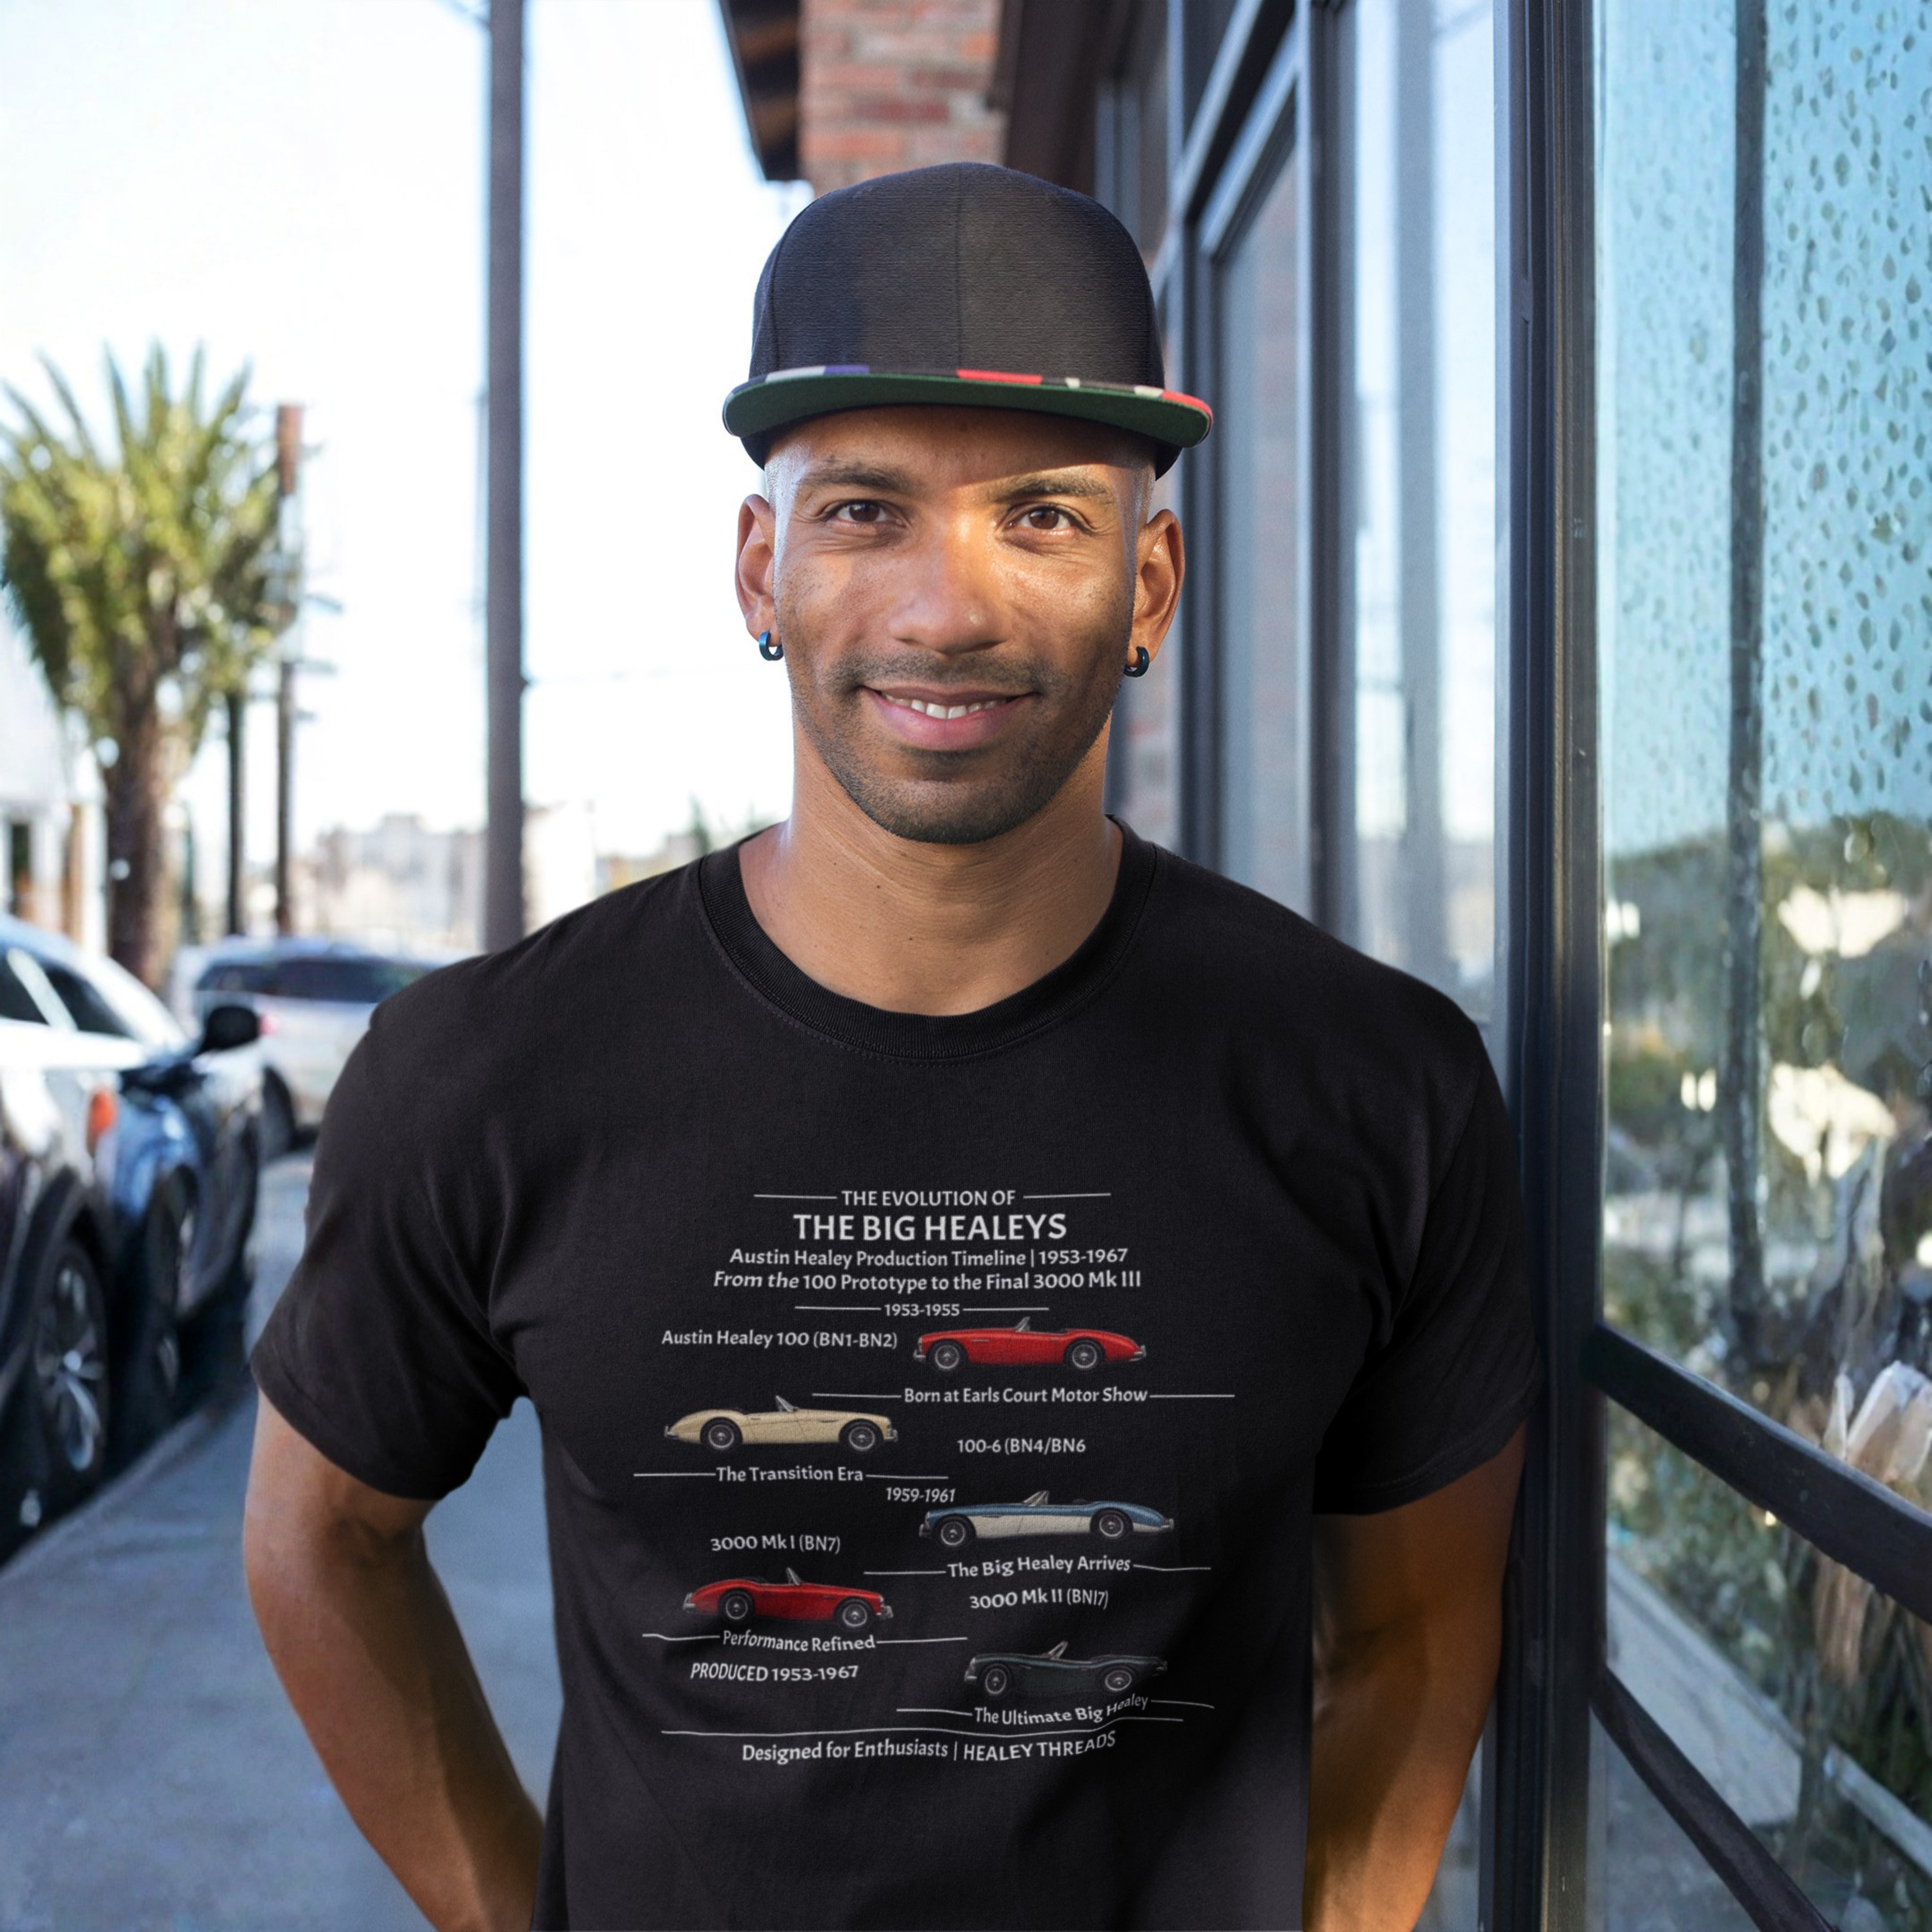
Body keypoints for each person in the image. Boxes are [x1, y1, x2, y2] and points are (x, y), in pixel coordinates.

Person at [244, 162, 1538, 1932]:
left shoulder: (1376, 1090)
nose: (950, 610)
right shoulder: (489, 1071)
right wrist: (514, 1914)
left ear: (1150, 583)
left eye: (1046, 518)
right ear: (761, 564)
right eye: (865, 511)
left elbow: (1409, 1636)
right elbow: (322, 1537)